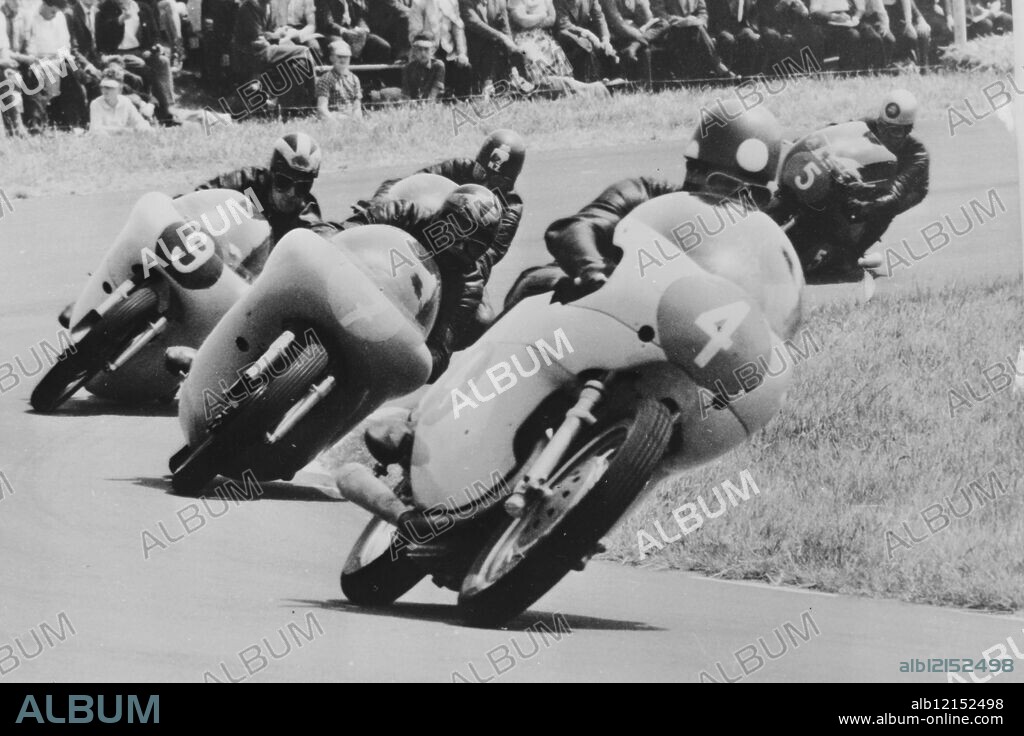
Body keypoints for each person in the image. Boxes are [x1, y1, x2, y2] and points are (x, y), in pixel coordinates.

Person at [507, 100, 782, 303]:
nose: (738, 202)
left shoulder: (751, 239)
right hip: (576, 298)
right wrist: (596, 273)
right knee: (548, 290)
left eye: (753, 195)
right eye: (726, 184)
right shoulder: (643, 194)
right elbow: (572, 229)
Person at [340, 183, 503, 381]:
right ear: (443, 216)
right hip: (357, 285)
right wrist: (329, 238)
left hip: (395, 331)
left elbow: (440, 351)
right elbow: (348, 228)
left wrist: (407, 359)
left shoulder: (468, 286)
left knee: (481, 319)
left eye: (474, 244)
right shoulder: (410, 213)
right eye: (455, 229)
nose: (459, 245)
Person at [765, 89, 929, 278]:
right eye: (883, 127)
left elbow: (895, 193)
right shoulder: (868, 125)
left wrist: (865, 205)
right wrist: (809, 141)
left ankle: (849, 256)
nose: (885, 134)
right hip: (864, 173)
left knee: (880, 208)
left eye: (895, 131)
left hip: (902, 190)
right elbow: (836, 131)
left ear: (908, 130)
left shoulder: (917, 155)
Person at [367, 128, 526, 288]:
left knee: (480, 312)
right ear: (476, 164)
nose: (485, 184)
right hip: (420, 235)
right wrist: (377, 208)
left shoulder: (511, 206)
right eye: (480, 173)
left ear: (509, 182)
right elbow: (407, 184)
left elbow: (488, 256)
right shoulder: (461, 167)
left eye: (497, 181)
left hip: (455, 265)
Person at [194, 132, 325, 246]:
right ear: (272, 174)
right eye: (283, 182)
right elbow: (200, 196)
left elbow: (320, 237)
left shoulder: (306, 212)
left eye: (302, 186)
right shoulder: (247, 182)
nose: (291, 193)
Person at [95, 0, 176, 123]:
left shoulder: (143, 8)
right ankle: (161, 112)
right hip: (117, 53)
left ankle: (169, 109)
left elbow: (155, 35)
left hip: (140, 51)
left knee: (162, 62)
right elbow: (102, 40)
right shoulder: (105, 9)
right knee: (143, 66)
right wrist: (120, 20)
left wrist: (154, 48)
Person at [230, 0, 316, 112]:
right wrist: (279, 36)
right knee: (304, 51)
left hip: (267, 50)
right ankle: (315, 100)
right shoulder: (249, 7)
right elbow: (258, 40)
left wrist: (281, 33)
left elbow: (272, 33)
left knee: (300, 62)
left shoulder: (271, 5)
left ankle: (291, 106)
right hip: (252, 55)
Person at [650, 0, 735, 79]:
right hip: (671, 32)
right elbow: (660, 15)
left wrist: (699, 22)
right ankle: (719, 66)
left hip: (696, 30)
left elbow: (702, 12)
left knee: (723, 37)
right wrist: (685, 21)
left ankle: (718, 74)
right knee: (696, 29)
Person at [460, 0, 530, 95]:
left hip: (495, 46)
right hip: (475, 49)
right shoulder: (465, 2)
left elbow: (505, 28)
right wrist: (501, 36)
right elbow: (474, 23)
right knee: (491, 46)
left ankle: (527, 85)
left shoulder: (499, 2)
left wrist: (512, 48)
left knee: (520, 52)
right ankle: (487, 85)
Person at [409, 0, 471, 96]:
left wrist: (462, 53)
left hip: (449, 52)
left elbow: (458, 29)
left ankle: (460, 100)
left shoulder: (452, 2)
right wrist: (425, 53)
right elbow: (415, 34)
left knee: (465, 66)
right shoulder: (418, 2)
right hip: (427, 53)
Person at [553, 0, 617, 82]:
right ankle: (591, 81)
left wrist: (605, 40)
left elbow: (599, 17)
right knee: (585, 45)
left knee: (606, 48)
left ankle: (610, 78)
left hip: (583, 36)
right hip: (565, 36)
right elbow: (564, 25)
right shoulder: (559, 1)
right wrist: (587, 33)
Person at [88, 62, 150, 131]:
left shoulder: (125, 101)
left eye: (110, 87)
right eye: (103, 87)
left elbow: (139, 122)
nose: (105, 90)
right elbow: (95, 129)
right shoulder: (96, 103)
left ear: (120, 89)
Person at [315, 38, 363, 119]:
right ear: (331, 58)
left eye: (346, 56)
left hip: (351, 117)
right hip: (334, 116)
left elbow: (357, 107)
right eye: (339, 56)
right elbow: (322, 109)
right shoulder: (326, 79)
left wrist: (355, 119)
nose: (343, 59)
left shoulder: (355, 79)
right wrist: (335, 121)